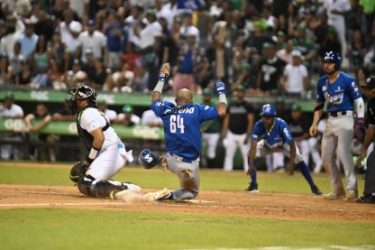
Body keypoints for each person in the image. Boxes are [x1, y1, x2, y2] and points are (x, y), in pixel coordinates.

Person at [140, 63, 227, 201]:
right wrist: (222, 93)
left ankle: (157, 161)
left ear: (176, 101)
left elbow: (154, 98)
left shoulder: (167, 109)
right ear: (191, 101)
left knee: (174, 168)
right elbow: (222, 111)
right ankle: (170, 192)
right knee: (192, 192)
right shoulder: (196, 109)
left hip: (171, 160)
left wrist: (162, 77)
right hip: (188, 164)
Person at [67, 83, 141, 198]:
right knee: (77, 175)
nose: (73, 101)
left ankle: (129, 188)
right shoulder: (89, 112)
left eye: (76, 98)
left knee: (86, 183)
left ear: (84, 101)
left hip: (112, 152)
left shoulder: (88, 113)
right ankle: (109, 184)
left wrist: (88, 161)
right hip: (110, 151)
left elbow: (99, 138)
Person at [309, 51, 365, 201]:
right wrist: (314, 123)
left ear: (337, 64)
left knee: (343, 152)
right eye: (325, 62)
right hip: (330, 120)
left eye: (330, 62)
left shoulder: (347, 80)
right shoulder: (322, 82)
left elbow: (359, 101)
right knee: (326, 156)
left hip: (346, 118)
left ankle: (351, 189)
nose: (326, 65)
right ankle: (337, 190)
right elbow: (319, 105)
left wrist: (360, 120)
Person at [246, 104, 322, 195]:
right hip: (267, 144)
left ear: (274, 117)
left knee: (300, 159)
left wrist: (291, 164)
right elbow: (253, 145)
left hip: (283, 145)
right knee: (249, 153)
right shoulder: (259, 124)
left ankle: (313, 186)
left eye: (268, 117)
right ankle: (254, 184)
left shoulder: (281, 124)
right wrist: (251, 165)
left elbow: (292, 144)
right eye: (264, 116)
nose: (265, 119)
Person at [221, 85, 254, 172]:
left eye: (241, 91)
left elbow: (250, 121)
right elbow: (227, 119)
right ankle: (227, 173)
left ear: (243, 93)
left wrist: (248, 134)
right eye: (237, 91)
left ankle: (248, 173)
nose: (239, 93)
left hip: (243, 134)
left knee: (246, 155)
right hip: (231, 133)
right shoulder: (231, 105)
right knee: (229, 155)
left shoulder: (248, 106)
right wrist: (224, 133)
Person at [356, 76, 375, 203]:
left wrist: (364, 149)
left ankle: (371, 194)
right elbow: (371, 128)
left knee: (373, 161)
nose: (364, 91)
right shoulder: (371, 103)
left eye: (367, 89)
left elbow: (372, 130)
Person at [201, 88, 221, 168]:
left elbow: (214, 118)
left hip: (213, 132)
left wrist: (206, 126)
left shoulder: (214, 106)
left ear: (210, 96)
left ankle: (211, 169)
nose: (206, 97)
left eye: (207, 95)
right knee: (199, 150)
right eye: (204, 95)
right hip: (201, 131)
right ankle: (201, 167)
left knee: (211, 152)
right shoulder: (199, 106)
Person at [0, 92, 24, 160]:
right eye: (7, 99)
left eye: (10, 100)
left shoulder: (17, 108)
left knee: (17, 158)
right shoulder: (1, 108)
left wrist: (6, 117)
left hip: (16, 136)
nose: (8, 101)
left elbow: (19, 116)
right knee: (5, 157)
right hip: (4, 136)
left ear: (12, 101)